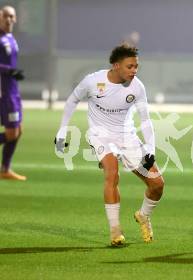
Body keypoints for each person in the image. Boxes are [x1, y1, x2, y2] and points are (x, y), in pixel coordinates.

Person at [54, 44, 164, 247]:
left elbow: (146, 119)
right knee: (112, 172)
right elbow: (72, 101)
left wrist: (150, 149)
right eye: (130, 66)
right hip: (100, 135)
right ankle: (115, 230)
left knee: (157, 185)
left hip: (127, 136)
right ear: (115, 66)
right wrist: (62, 131)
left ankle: (143, 215)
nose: (134, 71)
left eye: (136, 66)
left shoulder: (137, 87)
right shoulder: (93, 81)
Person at [0, 6, 26, 181]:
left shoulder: (11, 38)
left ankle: (5, 169)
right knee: (11, 133)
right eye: (6, 16)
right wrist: (10, 71)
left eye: (12, 16)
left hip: (13, 91)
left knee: (19, 130)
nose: (9, 19)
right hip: (4, 92)